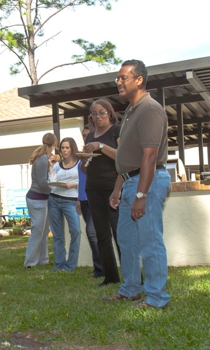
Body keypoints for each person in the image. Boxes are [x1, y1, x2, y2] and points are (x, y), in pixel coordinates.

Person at [104, 59, 171, 310]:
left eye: (124, 78)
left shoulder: (150, 109)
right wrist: (117, 189)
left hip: (148, 182)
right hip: (130, 182)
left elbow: (149, 156)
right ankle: (131, 288)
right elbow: (127, 157)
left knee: (150, 240)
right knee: (126, 240)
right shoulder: (131, 111)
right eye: (118, 78)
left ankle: (156, 298)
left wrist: (142, 194)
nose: (119, 82)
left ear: (139, 80)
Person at [82, 99, 121, 286]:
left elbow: (123, 157)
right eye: (94, 113)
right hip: (93, 187)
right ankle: (111, 276)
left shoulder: (117, 131)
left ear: (110, 113)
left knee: (119, 233)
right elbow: (87, 164)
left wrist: (101, 147)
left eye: (101, 112)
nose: (97, 116)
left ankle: (132, 277)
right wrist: (83, 160)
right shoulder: (90, 136)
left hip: (113, 186)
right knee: (101, 234)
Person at [24, 133, 57, 268]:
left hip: (42, 199)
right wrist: (56, 186)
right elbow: (43, 182)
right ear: (54, 143)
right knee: (38, 231)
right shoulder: (42, 159)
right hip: (37, 199)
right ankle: (30, 262)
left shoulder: (45, 158)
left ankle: (43, 259)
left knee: (44, 231)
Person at [48, 137, 81, 272]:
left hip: (71, 201)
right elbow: (52, 182)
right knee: (57, 234)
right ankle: (59, 264)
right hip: (54, 199)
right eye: (62, 148)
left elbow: (84, 181)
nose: (64, 150)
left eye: (67, 147)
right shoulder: (57, 165)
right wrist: (50, 167)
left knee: (76, 231)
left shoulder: (80, 163)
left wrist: (73, 184)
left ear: (72, 148)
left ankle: (70, 265)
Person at [77, 124, 104, 278]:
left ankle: (101, 269)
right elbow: (82, 178)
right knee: (94, 233)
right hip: (84, 198)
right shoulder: (83, 154)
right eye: (84, 135)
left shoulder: (98, 154)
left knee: (92, 232)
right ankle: (98, 268)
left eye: (88, 135)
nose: (86, 137)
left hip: (95, 198)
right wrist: (78, 200)